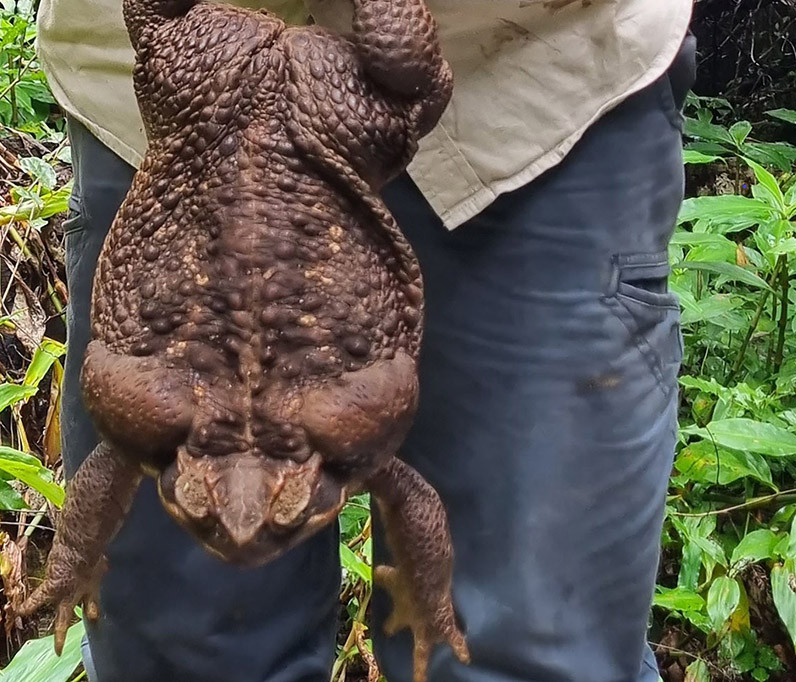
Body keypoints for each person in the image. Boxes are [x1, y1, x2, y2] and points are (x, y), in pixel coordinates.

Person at [34, 0, 696, 679]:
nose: (238, 534)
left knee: (522, 649)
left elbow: (408, 497)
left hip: (532, 82)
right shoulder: (200, 429)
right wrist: (74, 557)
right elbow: (407, 494)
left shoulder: (227, 429)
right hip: (183, 101)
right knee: (179, 656)